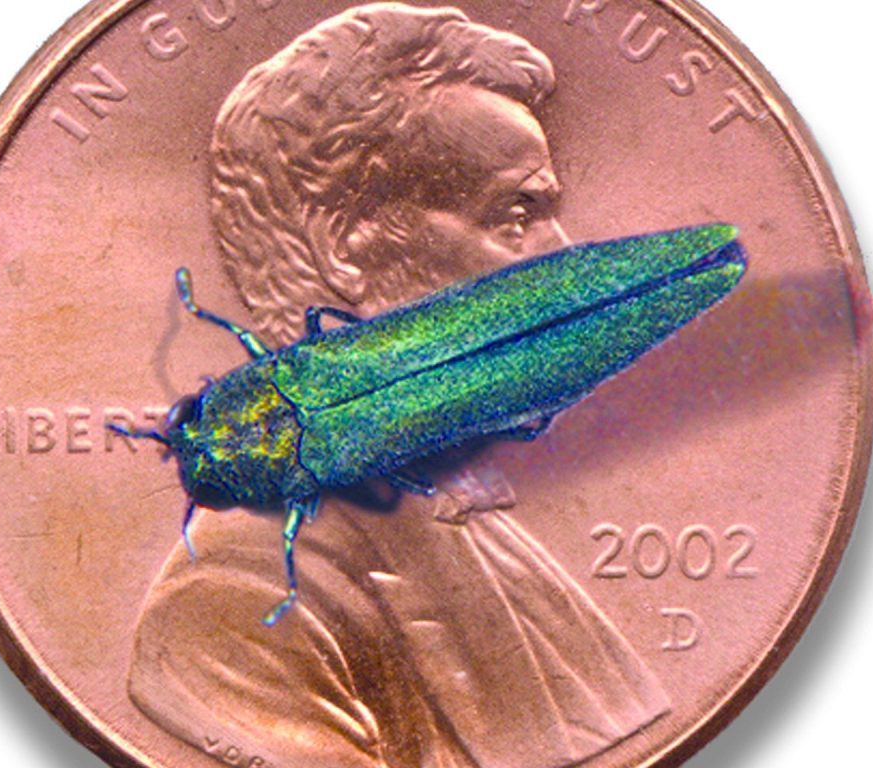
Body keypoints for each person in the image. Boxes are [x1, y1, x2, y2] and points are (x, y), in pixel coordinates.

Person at [128, 6, 669, 767]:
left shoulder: (463, 517)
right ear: (348, 248)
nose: (563, 256)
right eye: (515, 216)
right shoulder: (230, 602)